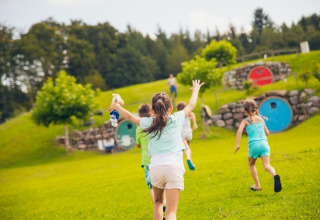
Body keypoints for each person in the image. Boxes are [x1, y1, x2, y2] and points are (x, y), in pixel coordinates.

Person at [109, 80, 204, 220]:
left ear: (152, 110)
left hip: (156, 169)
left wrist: (116, 106)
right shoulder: (177, 118)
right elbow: (191, 105)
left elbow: (129, 117)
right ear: (170, 108)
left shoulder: (147, 122)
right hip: (174, 168)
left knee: (158, 203)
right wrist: (195, 89)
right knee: (171, 213)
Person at [234, 99, 282, 193]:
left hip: (254, 145)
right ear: (255, 108)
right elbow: (267, 133)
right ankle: (274, 175)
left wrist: (237, 145)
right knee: (267, 166)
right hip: (264, 144)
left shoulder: (245, 121)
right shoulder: (261, 119)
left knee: (251, 164)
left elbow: (239, 131)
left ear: (245, 110)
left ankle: (257, 185)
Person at [176, 102, 198, 171]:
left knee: (186, 148)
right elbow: (193, 114)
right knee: (188, 147)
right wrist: (194, 124)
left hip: (182, 134)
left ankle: (188, 158)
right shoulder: (187, 113)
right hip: (189, 133)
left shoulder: (178, 115)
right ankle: (191, 161)